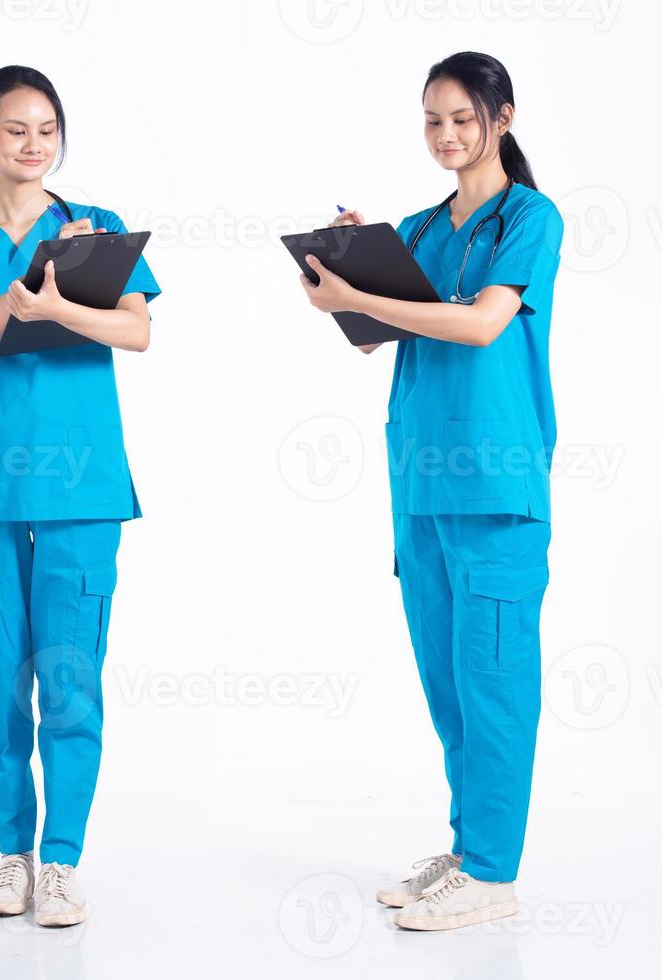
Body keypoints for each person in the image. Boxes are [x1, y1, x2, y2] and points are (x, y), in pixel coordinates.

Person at [298, 51, 563, 931]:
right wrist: (340, 277)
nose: (445, 135)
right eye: (431, 120)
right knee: (448, 679)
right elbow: (372, 338)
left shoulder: (528, 218)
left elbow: (484, 322)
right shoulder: (418, 226)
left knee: (493, 678)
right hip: (420, 482)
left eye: (461, 118)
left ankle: (493, 871)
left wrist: (371, 290)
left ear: (502, 116)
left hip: (496, 482)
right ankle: (467, 846)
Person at [0, 65, 159, 927]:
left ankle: (60, 862)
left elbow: (135, 331)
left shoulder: (95, 234)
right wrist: (24, 302)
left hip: (82, 483)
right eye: (14, 129)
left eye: (47, 129)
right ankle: (12, 854)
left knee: (68, 680)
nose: (33, 145)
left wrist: (67, 300)